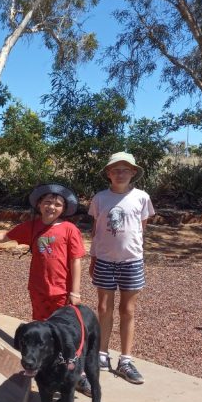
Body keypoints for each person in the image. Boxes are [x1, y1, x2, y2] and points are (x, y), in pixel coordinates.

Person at [0, 184, 91, 395]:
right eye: (47, 202)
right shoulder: (32, 226)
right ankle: (48, 371)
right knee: (43, 334)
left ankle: (78, 374)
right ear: (39, 204)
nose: (52, 206)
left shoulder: (69, 229)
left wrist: (75, 292)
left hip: (62, 293)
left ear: (64, 208)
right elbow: (6, 236)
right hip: (39, 291)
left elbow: (76, 261)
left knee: (66, 335)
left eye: (58, 204)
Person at [89, 152, 155, 385]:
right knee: (104, 307)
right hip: (105, 259)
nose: (120, 173)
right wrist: (93, 257)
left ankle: (125, 360)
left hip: (131, 261)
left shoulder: (141, 197)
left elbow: (141, 228)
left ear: (133, 172)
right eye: (115, 169)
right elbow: (96, 229)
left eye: (125, 169)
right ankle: (102, 355)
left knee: (128, 310)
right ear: (108, 173)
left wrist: (131, 250)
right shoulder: (99, 198)